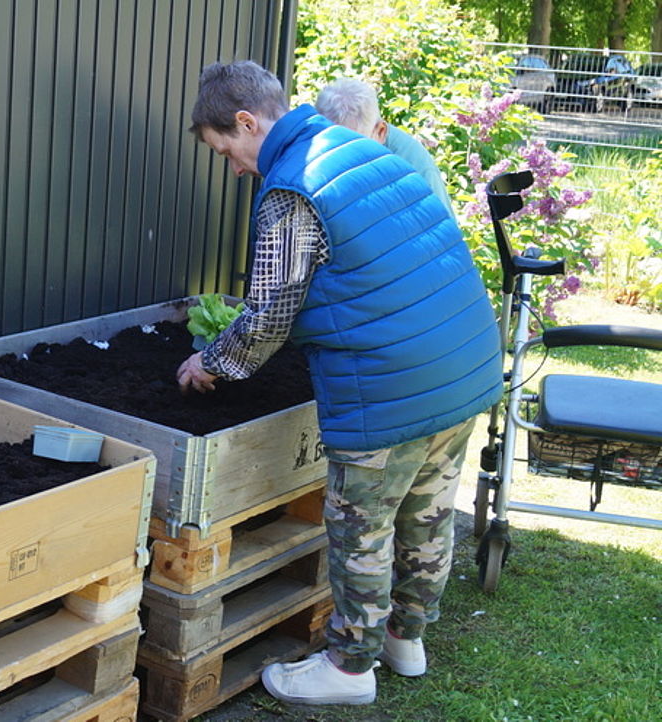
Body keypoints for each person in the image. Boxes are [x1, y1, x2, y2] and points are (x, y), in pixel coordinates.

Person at [176, 60, 502, 706]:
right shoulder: (362, 150)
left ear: (247, 122)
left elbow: (270, 313)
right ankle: (405, 639)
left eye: (225, 151)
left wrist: (209, 362)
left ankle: (349, 668)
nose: (234, 169)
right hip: (461, 363)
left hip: (391, 380)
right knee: (428, 513)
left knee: (362, 526)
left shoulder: (292, 187)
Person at [315, 76, 455, 216]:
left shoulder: (417, 168)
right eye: (333, 148)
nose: (343, 160)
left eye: (354, 150)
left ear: (380, 132)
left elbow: (443, 227)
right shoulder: (313, 144)